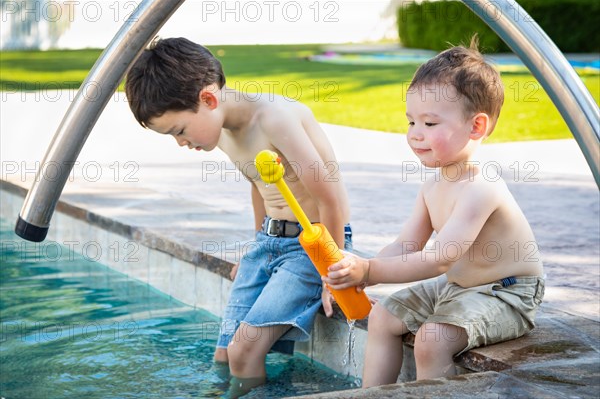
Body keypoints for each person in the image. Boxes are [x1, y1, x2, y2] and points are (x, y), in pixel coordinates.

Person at [125, 37, 352, 393]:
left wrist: (332, 273)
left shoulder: (275, 119)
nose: (182, 143)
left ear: (208, 99)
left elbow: (332, 199)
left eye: (179, 131)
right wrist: (257, 251)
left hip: (314, 244)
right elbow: (259, 186)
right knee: (224, 354)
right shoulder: (225, 131)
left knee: (244, 351)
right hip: (270, 242)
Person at [322, 37, 545, 387]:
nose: (415, 135)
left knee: (431, 340)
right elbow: (407, 245)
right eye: (411, 122)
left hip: (508, 293)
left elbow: (440, 258)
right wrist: (365, 274)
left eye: (429, 123)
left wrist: (371, 268)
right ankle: (371, 395)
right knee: (382, 317)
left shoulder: (481, 187)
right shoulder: (433, 186)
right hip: (458, 286)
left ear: (476, 126)